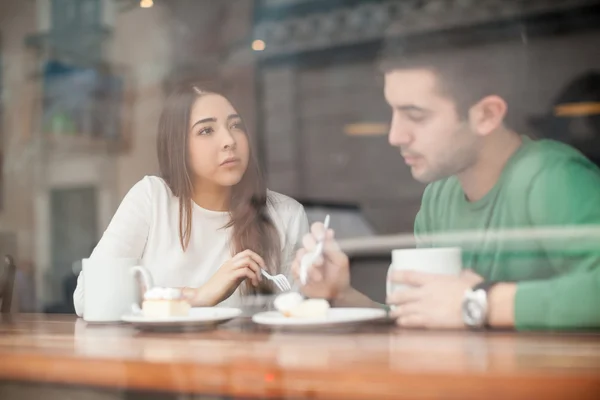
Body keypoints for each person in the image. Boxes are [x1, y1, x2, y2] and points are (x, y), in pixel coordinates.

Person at [292, 45, 600, 331]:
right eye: (393, 112)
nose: (395, 135)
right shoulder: (439, 196)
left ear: (486, 115)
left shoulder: (551, 178)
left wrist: (480, 301)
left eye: (415, 115)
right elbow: (431, 314)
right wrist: (341, 295)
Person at [74, 84, 308, 316]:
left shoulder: (285, 214)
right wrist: (197, 297)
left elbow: (300, 314)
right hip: (157, 353)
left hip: (246, 354)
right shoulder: (151, 198)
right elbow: (88, 298)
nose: (229, 140)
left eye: (236, 125)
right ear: (179, 147)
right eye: (206, 130)